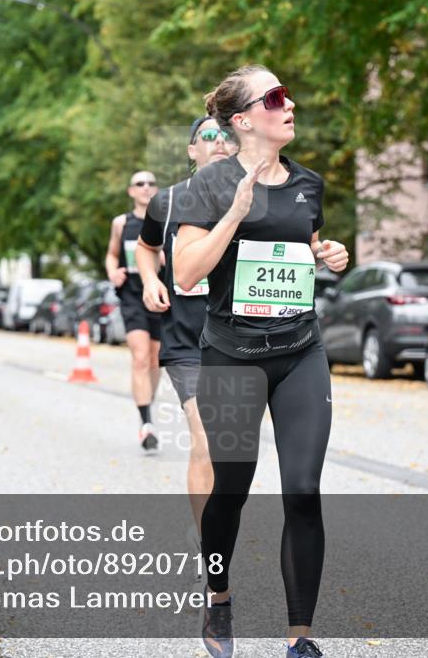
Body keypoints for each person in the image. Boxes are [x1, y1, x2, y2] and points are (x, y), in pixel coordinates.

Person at [174, 65, 349, 658]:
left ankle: (300, 639)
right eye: (275, 97)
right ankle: (218, 596)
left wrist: (328, 253)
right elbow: (186, 273)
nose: (289, 104)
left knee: (302, 489)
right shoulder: (210, 184)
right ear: (244, 120)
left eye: (287, 95)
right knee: (230, 490)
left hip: (300, 352)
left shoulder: (309, 184)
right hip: (232, 357)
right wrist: (233, 212)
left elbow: (301, 248)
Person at [136, 116, 237, 554]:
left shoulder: (258, 200)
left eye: (227, 135)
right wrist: (149, 280)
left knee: (229, 450)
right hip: (188, 342)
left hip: (241, 342)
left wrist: (321, 251)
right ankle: (208, 544)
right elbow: (146, 247)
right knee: (207, 439)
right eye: (208, 136)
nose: (219, 142)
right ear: (192, 150)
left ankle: (214, 523)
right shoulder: (169, 201)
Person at [106, 170, 162, 451]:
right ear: (131, 191)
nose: (146, 187)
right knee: (140, 357)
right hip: (132, 297)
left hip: (160, 297)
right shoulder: (121, 223)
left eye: (151, 183)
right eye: (140, 183)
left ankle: (147, 403)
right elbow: (112, 254)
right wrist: (112, 272)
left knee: (155, 360)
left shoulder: (165, 221)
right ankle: (146, 423)